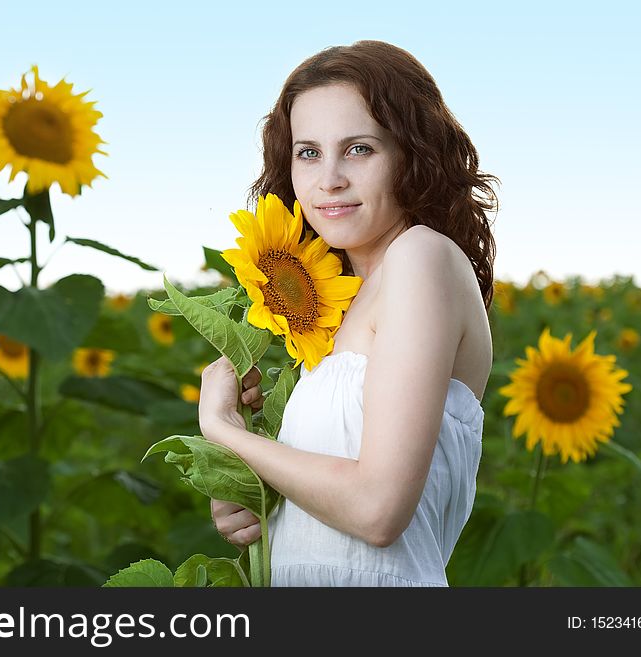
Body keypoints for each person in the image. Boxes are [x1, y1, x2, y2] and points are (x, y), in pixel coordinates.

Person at [198, 40, 499, 587]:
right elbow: (328, 517)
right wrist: (247, 492)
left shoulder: (420, 257)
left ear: (413, 152)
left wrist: (225, 432)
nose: (328, 179)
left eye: (359, 149)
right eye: (308, 152)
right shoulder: (336, 310)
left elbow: (376, 510)